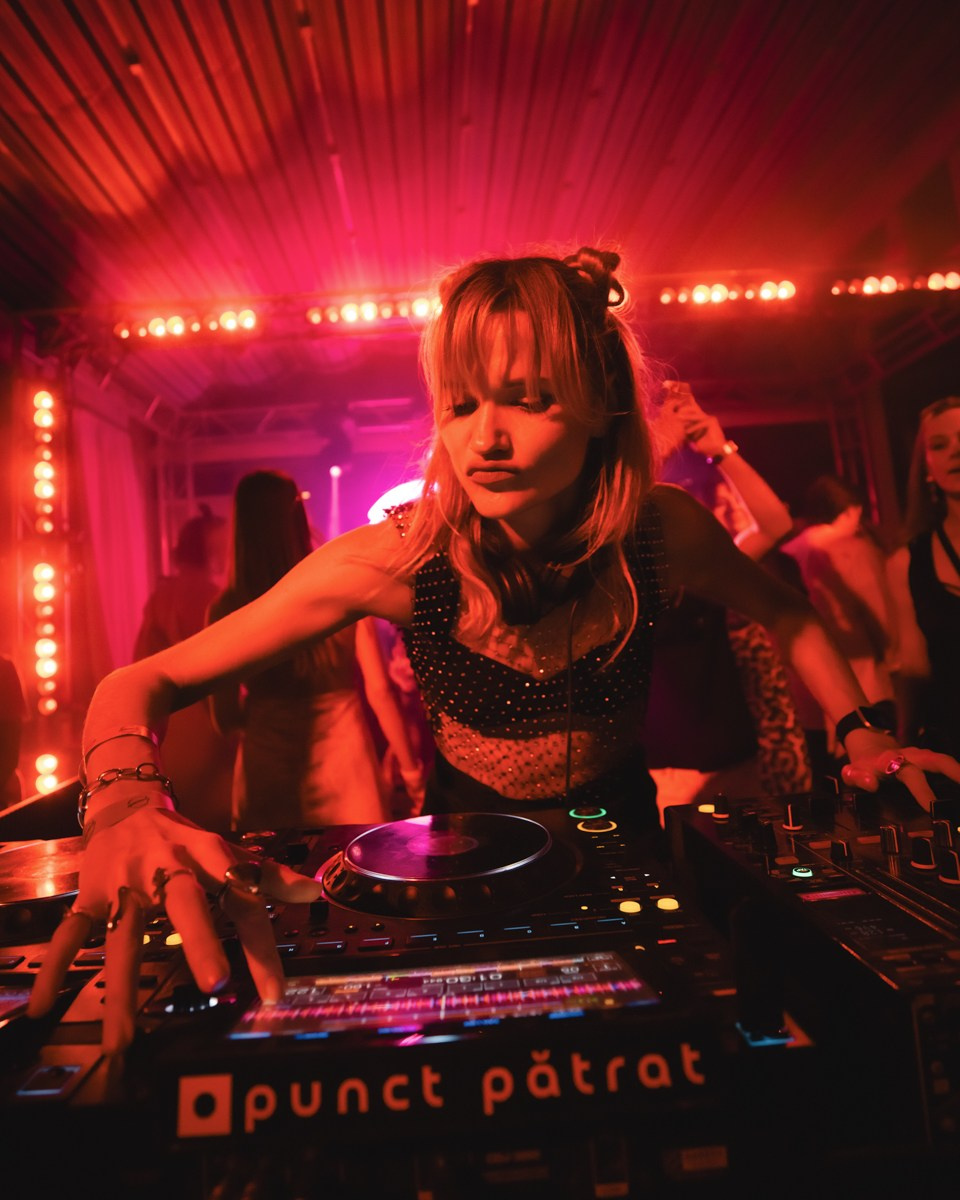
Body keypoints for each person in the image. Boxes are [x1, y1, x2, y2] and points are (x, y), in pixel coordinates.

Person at [29, 246, 960, 1054]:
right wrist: (124, 803)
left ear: (602, 407)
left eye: (528, 399)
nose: (486, 437)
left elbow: (788, 614)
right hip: (457, 864)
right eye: (462, 403)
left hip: (626, 847)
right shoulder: (401, 555)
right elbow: (140, 680)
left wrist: (863, 733)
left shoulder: (659, 531)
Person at [207, 470, 426, 829]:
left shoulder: (226, 608)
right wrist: (411, 772)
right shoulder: (339, 587)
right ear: (297, 516)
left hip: (266, 768)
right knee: (352, 859)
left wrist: (268, 715)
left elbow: (224, 718)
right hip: (346, 761)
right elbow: (379, 691)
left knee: (272, 861)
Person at [648, 390, 812, 808]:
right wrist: (660, 443)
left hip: (731, 762)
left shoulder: (699, 568)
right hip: (656, 771)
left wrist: (718, 449)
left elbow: (775, 525)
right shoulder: (613, 567)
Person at [132, 505, 237, 831]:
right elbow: (220, 669)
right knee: (217, 826)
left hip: (170, 729)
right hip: (205, 725)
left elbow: (137, 663)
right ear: (209, 549)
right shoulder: (210, 598)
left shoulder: (161, 596)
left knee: (185, 820)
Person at [783, 474, 898, 753]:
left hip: (809, 687)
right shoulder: (856, 550)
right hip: (865, 682)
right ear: (848, 510)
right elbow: (881, 614)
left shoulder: (789, 552)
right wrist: (896, 662)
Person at [886, 396, 960, 763]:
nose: (956, 451)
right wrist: (901, 747)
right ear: (927, 468)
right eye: (940, 444)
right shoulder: (907, 562)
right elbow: (914, 666)